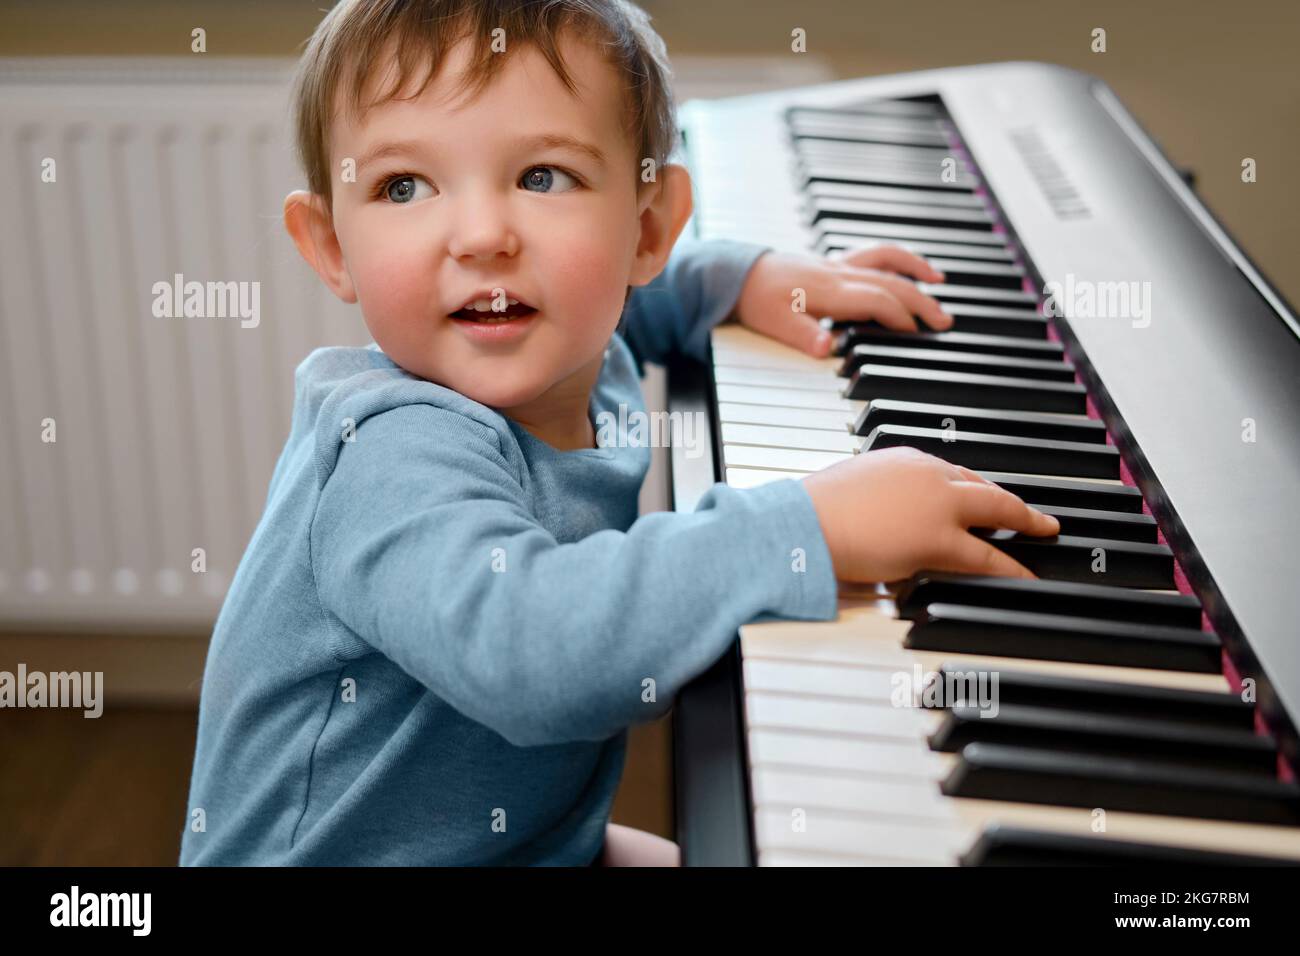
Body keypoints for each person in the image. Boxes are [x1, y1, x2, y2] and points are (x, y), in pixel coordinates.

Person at [180, 0, 1057, 867]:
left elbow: (640, 300)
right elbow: (528, 650)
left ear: (646, 227)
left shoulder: (566, 347)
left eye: (542, 177)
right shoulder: (391, 451)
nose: (482, 237)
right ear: (330, 244)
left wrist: (744, 278)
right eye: (403, 187)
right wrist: (805, 529)